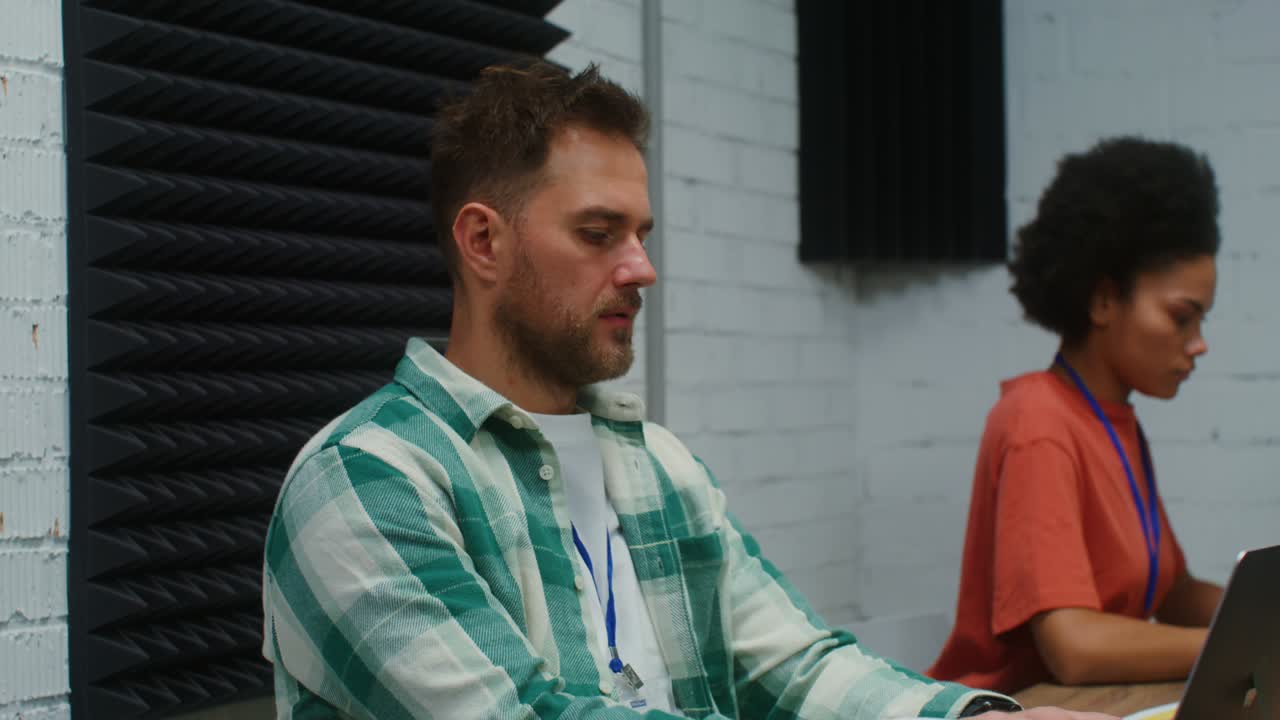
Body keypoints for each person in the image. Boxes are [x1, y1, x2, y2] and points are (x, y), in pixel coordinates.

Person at [262, 61, 1110, 719]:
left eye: (641, 234)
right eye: (599, 234)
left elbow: (791, 668)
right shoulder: (367, 483)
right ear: (484, 242)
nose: (642, 268)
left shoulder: (657, 466)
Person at [929, 137, 1225, 694]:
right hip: (1021, 705)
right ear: (1103, 299)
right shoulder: (1036, 421)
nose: (1199, 344)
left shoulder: (1115, 422)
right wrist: (1233, 647)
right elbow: (1076, 647)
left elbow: (1172, 591)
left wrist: (1258, 614)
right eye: (1182, 318)